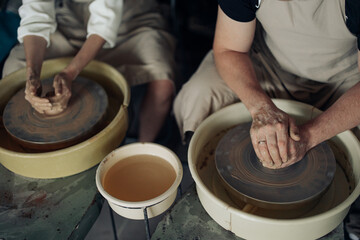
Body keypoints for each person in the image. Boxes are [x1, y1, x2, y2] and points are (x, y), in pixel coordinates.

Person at [173, 0, 359, 239]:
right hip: (270, 66)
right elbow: (229, 50)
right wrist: (260, 108)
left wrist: (309, 136)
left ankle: (352, 210)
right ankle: (206, 181)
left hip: (343, 80)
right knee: (200, 93)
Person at [2, 0, 176, 143]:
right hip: (72, 16)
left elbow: (104, 22)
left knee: (162, 77)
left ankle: (143, 148)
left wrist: (70, 72)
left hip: (132, 15)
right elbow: (36, 17)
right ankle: (33, 142)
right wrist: (32, 74)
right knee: (14, 69)